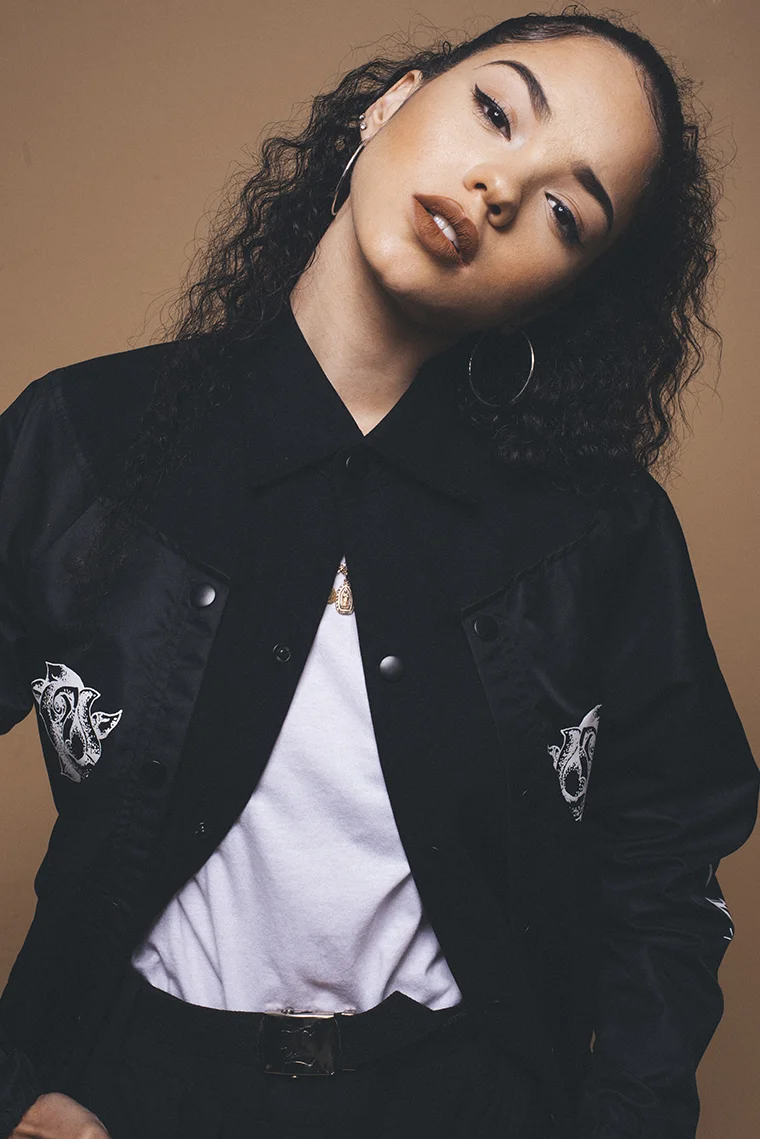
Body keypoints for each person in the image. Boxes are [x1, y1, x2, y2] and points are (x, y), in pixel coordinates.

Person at [0, 8, 757, 1139]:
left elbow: (665, 878)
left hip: (460, 1097)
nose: (499, 187)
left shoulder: (599, 536)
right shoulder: (85, 433)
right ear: (393, 100)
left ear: (565, 288)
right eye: (496, 111)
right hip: (129, 1091)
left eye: (563, 209)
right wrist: (18, 1081)